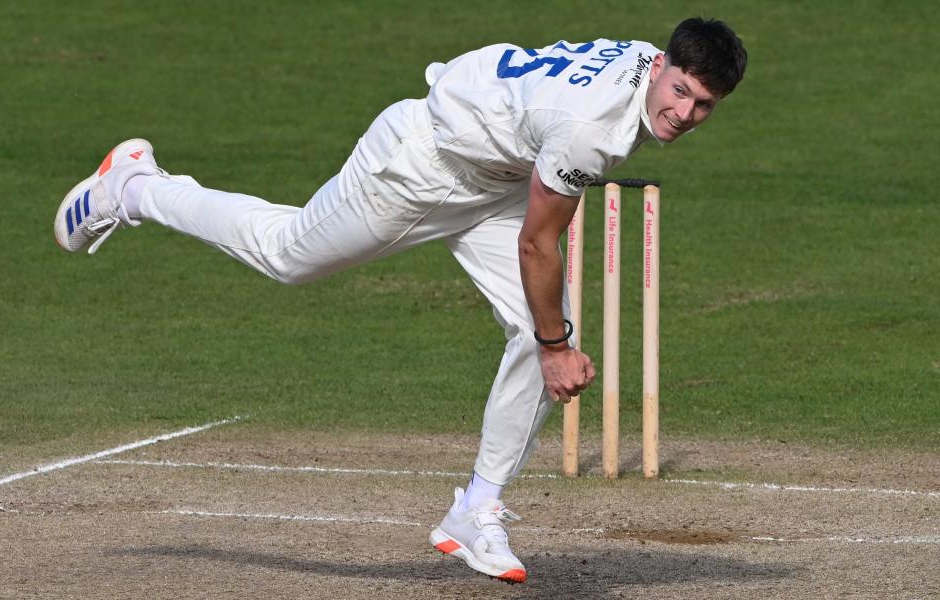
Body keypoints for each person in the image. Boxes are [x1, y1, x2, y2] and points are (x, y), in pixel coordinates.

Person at [54, 17, 746, 583]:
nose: (683, 113)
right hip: (420, 170)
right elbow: (539, 243)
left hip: (494, 175)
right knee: (289, 256)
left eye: (703, 105)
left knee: (539, 331)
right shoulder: (590, 131)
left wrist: (552, 338)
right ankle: (135, 187)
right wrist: (559, 347)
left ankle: (475, 510)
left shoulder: (637, 63)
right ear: (659, 64)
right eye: (680, 91)